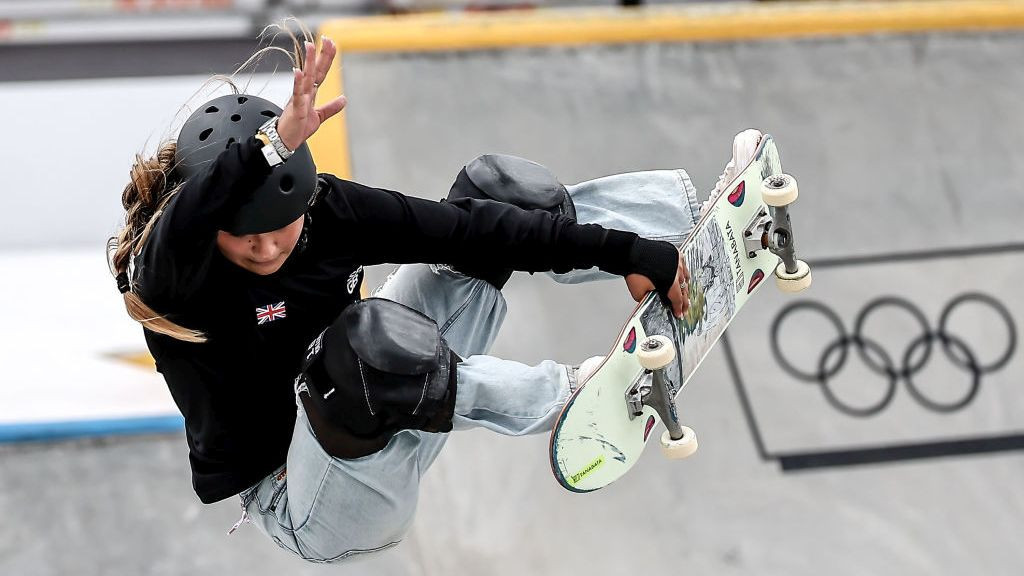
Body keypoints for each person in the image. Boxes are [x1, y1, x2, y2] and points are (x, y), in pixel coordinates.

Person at [108, 35, 761, 563]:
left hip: (398, 399)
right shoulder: (172, 278)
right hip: (314, 499)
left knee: (497, 194)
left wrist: (624, 252)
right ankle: (570, 399)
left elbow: (471, 227)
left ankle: (677, 225)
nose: (266, 249)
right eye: (242, 239)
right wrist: (270, 145)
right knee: (358, 346)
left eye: (279, 229)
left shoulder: (331, 209)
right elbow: (184, 223)